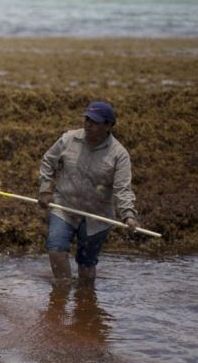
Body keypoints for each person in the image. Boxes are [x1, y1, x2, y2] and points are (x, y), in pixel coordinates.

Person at [38, 101, 139, 286]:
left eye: (95, 122)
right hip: (64, 206)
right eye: (87, 119)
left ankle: (85, 301)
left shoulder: (119, 154)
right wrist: (45, 189)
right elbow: (47, 161)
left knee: (86, 263)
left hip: (97, 215)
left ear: (108, 126)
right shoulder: (68, 139)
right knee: (56, 248)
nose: (88, 124)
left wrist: (128, 215)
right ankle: (62, 290)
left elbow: (122, 188)